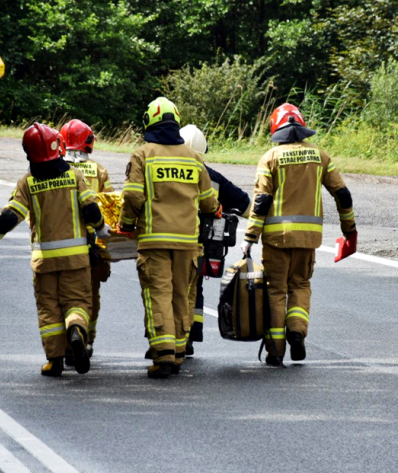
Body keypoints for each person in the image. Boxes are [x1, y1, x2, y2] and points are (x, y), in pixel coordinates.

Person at [0, 123, 111, 376]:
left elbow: (9, 217)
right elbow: (91, 211)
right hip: (76, 260)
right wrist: (102, 229)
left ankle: (54, 361)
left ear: (29, 153)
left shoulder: (27, 183)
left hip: (44, 262)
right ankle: (77, 331)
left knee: (49, 309)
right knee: (77, 303)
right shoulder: (74, 176)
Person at [241, 103, 356, 365]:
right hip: (308, 240)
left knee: (276, 291)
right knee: (300, 286)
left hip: (276, 239)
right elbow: (343, 194)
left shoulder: (270, 157)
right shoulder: (320, 156)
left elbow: (261, 202)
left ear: (276, 128)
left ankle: (276, 351)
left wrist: (249, 238)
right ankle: (297, 331)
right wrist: (349, 229)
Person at [119, 98, 220, 379]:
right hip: (188, 242)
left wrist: (126, 224)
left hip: (154, 241)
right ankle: (176, 353)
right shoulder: (194, 158)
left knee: (158, 295)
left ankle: (162, 355)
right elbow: (209, 203)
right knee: (180, 296)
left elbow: (132, 195)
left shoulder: (143, 154)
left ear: (149, 122)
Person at [179, 124, 250, 356]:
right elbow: (244, 204)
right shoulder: (214, 178)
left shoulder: (168, 169)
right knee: (194, 288)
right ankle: (190, 334)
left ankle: (170, 338)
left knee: (167, 289)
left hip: (166, 241)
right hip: (200, 247)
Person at [60, 119, 113, 359]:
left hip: (60, 244)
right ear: (88, 142)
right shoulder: (99, 171)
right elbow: (110, 206)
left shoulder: (53, 171)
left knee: (59, 296)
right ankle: (87, 340)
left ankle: (65, 343)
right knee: (90, 295)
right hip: (93, 246)